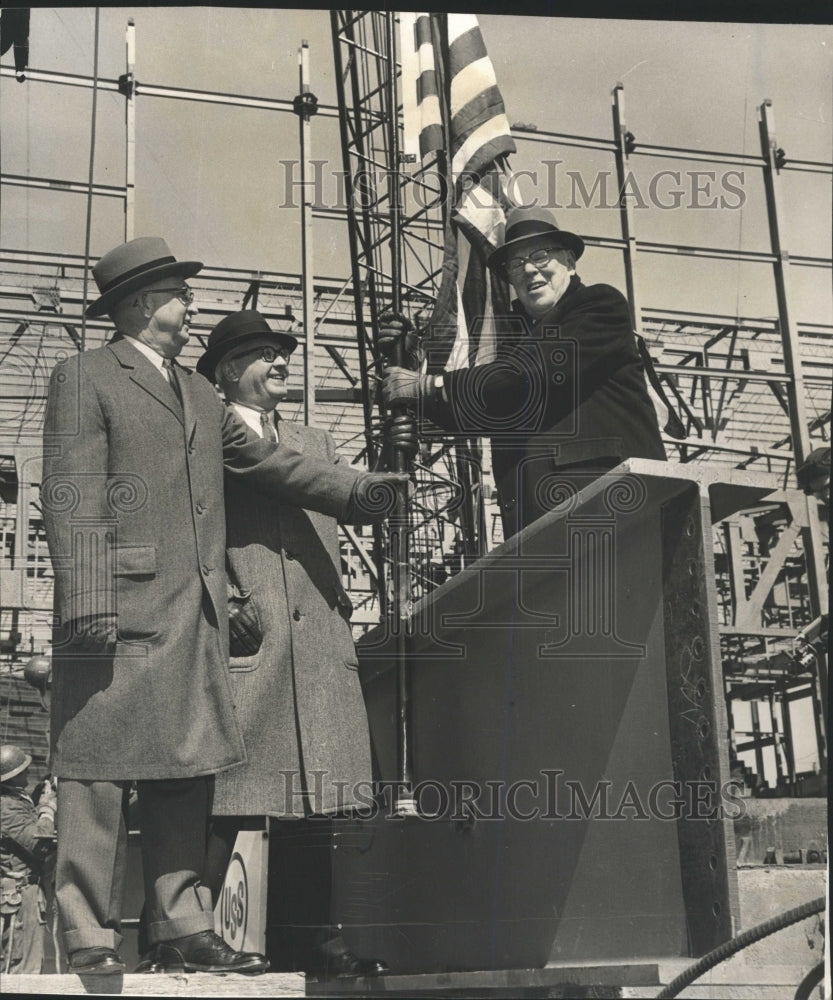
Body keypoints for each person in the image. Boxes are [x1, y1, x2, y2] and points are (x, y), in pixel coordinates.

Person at [40, 237, 406, 976]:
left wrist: (357, 491)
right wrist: (86, 595)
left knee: (187, 768)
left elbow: (269, 463)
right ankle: (85, 928)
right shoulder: (84, 377)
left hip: (193, 608)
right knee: (95, 769)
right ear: (143, 304)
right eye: (180, 294)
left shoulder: (200, 394)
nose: (192, 305)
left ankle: (179, 923)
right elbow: (71, 489)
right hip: (115, 605)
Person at [195, 310, 388, 979]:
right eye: (260, 353)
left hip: (317, 641)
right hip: (248, 633)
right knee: (224, 794)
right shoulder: (202, 433)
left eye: (282, 352)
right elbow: (187, 527)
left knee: (317, 797)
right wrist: (220, 594)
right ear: (223, 372)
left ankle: (312, 945)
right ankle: (186, 938)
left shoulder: (315, 439)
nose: (279, 362)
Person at [382, 205, 667, 538]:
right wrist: (412, 362)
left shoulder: (599, 306)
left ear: (571, 263)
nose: (529, 270)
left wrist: (429, 385)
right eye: (516, 264)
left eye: (541, 256)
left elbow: (525, 376)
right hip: (540, 528)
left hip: (613, 511)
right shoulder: (516, 340)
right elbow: (482, 405)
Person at [1, 745, 57, 974]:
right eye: (23, 770)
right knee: (21, 969)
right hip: (19, 898)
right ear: (11, 777)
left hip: (27, 893)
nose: (27, 773)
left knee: (31, 966)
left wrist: (40, 795)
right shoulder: (5, 807)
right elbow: (37, 844)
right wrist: (48, 808)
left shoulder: (15, 799)